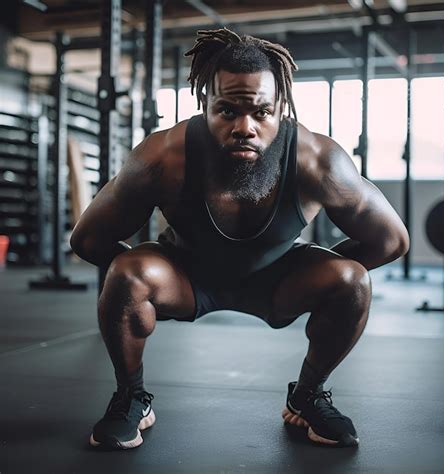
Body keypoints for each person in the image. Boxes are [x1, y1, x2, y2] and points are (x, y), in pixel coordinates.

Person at [70, 28, 409, 450]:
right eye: (227, 111)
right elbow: (88, 239)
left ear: (281, 108)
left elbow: (391, 241)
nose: (244, 127)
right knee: (126, 272)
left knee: (352, 280)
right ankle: (131, 396)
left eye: (261, 113)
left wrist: (317, 275)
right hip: (186, 277)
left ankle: (307, 396)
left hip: (279, 282)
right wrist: (137, 293)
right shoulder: (162, 156)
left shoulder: (317, 159)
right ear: (205, 104)